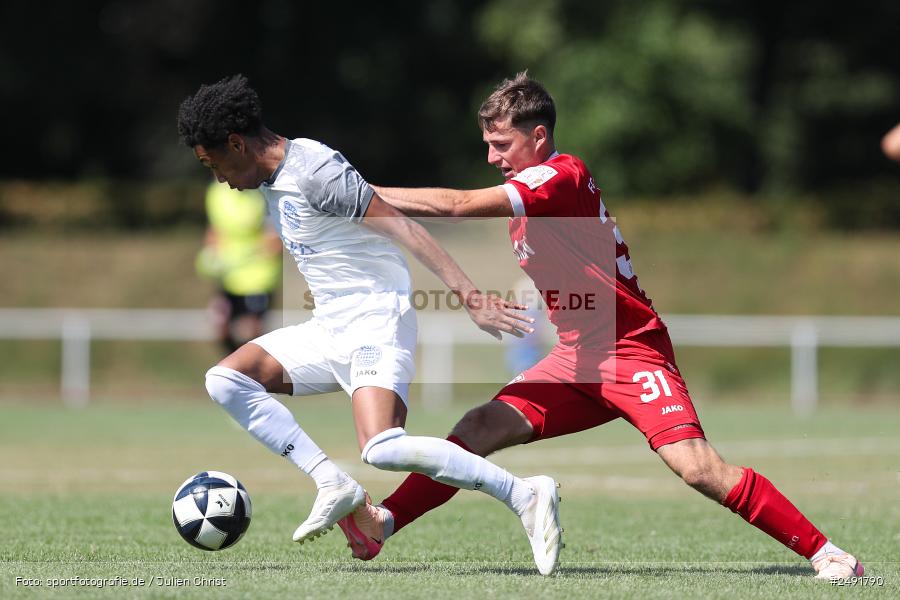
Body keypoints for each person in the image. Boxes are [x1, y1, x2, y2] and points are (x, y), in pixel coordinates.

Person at [337, 72, 863, 581]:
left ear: (538, 136)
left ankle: (829, 554)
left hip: (631, 351)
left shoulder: (560, 175)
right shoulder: (529, 197)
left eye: (501, 144)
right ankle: (384, 523)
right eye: (488, 144)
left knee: (699, 469)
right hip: (575, 358)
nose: (491, 157)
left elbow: (457, 206)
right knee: (477, 427)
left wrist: (356, 193)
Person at [176, 74, 562, 574]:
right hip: (328, 326)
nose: (221, 178)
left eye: (216, 164)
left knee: (382, 448)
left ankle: (524, 493)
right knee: (226, 380)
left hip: (376, 321)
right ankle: (332, 483)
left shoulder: (313, 170)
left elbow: (404, 228)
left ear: (236, 143)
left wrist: (471, 297)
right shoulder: (270, 179)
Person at [196, 180, 282, 354]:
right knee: (219, 324)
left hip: (258, 279)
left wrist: (248, 254)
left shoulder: (262, 193)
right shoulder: (215, 193)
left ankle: (254, 375)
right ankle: (238, 372)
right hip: (228, 278)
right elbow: (214, 231)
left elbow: (275, 242)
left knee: (249, 332)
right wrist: (212, 256)